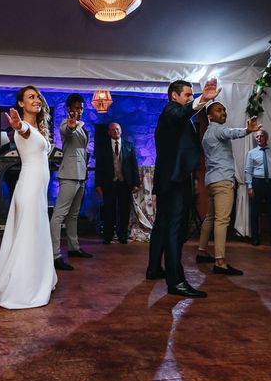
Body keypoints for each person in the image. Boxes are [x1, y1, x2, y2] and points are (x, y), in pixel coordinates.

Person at [146, 78, 219, 298]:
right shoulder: (171, 110)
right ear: (174, 96)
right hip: (175, 180)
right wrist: (202, 100)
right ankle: (176, 282)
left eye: (191, 95)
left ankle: (153, 268)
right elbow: (181, 114)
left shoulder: (173, 115)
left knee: (162, 226)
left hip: (169, 178)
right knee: (174, 230)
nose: (189, 98)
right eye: (187, 95)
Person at [0, 86, 58, 309]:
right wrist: (18, 125)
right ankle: (22, 289)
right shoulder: (24, 127)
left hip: (37, 190)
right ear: (20, 104)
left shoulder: (40, 127)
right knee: (28, 236)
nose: (36, 100)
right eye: (30, 97)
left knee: (36, 233)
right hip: (28, 189)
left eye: (37, 96)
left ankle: (38, 278)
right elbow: (23, 128)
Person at [196, 99, 260, 275]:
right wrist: (247, 130)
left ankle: (202, 252)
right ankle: (220, 262)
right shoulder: (217, 130)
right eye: (218, 110)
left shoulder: (207, 134)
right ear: (209, 116)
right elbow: (230, 133)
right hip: (223, 181)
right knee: (222, 220)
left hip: (212, 181)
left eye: (224, 110)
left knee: (210, 218)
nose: (223, 112)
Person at [50, 93, 92, 271]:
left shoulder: (81, 126)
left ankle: (74, 248)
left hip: (81, 174)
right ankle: (55, 255)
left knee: (73, 215)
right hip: (69, 174)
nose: (79, 111)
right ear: (69, 109)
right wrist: (71, 125)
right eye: (76, 107)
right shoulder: (66, 124)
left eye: (81, 107)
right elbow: (67, 131)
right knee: (59, 215)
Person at [95, 122, 140, 244]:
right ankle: (108, 236)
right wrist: (98, 185)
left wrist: (136, 183)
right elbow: (99, 167)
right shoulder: (102, 147)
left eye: (117, 129)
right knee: (109, 211)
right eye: (113, 130)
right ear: (109, 132)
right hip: (108, 183)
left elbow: (134, 166)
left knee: (124, 211)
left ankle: (123, 235)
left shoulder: (128, 146)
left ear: (121, 131)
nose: (116, 131)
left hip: (125, 183)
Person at [245, 129, 271, 246]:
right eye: (257, 137)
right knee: (255, 212)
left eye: (261, 136)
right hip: (257, 183)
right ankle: (255, 238)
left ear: (266, 138)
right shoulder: (251, 153)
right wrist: (250, 186)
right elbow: (248, 170)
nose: (259, 138)